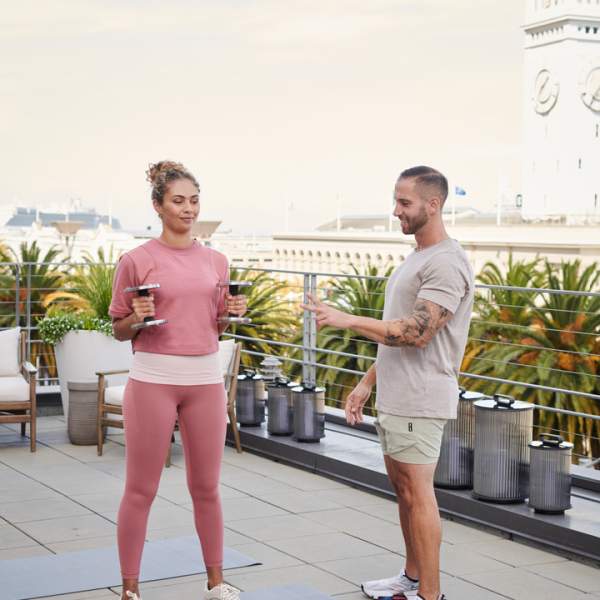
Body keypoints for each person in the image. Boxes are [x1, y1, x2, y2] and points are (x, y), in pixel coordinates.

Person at [302, 166, 474, 600]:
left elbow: (416, 332)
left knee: (419, 495)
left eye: (404, 202)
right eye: (396, 200)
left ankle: (430, 595)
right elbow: (394, 335)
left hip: (421, 399)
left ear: (432, 205)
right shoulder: (417, 257)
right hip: (398, 397)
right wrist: (366, 382)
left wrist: (346, 319)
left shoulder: (447, 263)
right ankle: (411, 579)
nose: (395, 210)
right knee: (403, 492)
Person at [109, 161, 247, 600]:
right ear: (158, 205)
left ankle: (216, 581)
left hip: (206, 380)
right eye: (178, 201)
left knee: (206, 487)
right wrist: (135, 317)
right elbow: (118, 328)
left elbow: (215, 325)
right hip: (153, 380)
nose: (188, 209)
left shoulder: (216, 260)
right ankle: (131, 588)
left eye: (194, 201)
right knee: (141, 488)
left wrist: (229, 315)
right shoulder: (136, 260)